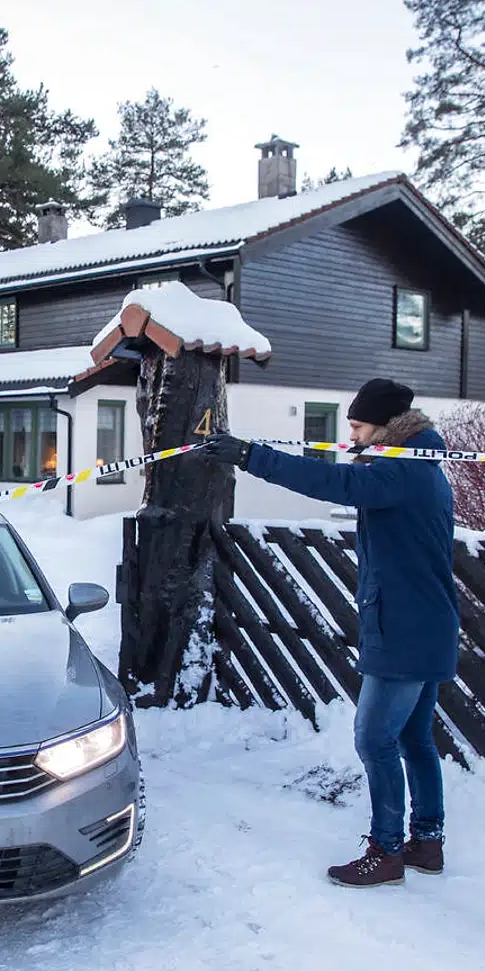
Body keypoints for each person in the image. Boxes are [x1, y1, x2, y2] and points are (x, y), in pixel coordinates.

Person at [202, 378, 459, 888]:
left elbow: (333, 483)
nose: (353, 437)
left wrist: (251, 456)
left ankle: (387, 851)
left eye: (359, 427)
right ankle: (427, 843)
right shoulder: (417, 465)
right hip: (426, 623)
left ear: (386, 426)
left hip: (403, 629)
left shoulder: (401, 471)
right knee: (413, 737)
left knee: (374, 738)